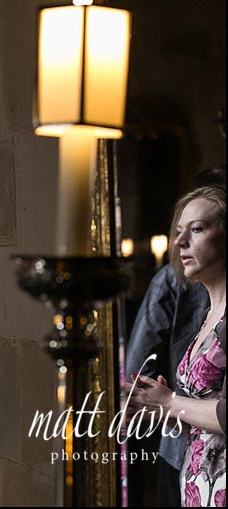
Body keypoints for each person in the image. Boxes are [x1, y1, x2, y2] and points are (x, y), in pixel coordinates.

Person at [125, 165, 225, 507]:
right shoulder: (210, 314)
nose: (179, 242)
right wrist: (160, 406)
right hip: (195, 476)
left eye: (196, 229)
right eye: (179, 231)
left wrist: (170, 402)